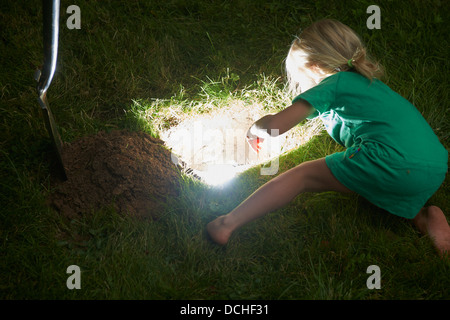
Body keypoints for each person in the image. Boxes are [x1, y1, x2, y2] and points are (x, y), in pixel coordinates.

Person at [206, 19, 449, 257]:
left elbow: (275, 128)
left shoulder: (335, 82)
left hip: (391, 161)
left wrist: (256, 128)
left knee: (301, 176)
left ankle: (226, 224)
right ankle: (423, 216)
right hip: (435, 165)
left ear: (313, 67)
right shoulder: (370, 84)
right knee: (385, 179)